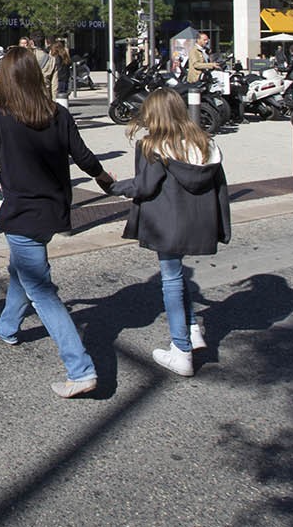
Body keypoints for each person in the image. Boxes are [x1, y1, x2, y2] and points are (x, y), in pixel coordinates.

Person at [0, 47, 114, 399]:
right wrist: (104, 178)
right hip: (54, 209)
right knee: (23, 270)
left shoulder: (1, 115)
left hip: (20, 211)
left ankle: (81, 369)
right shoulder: (57, 113)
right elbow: (83, 155)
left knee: (42, 290)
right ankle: (8, 326)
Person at [111, 88, 231, 378]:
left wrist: (117, 187)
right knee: (177, 278)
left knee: (171, 281)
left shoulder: (154, 146)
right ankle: (192, 330)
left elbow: (145, 186)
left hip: (167, 223)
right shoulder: (205, 142)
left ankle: (181, 350)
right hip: (199, 222)